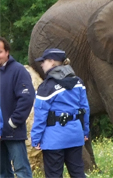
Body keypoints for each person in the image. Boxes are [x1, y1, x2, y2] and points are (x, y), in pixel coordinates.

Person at [31, 48, 90, 178]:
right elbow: (85, 109)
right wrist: (85, 131)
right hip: (75, 135)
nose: (42, 64)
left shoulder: (47, 86)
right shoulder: (78, 82)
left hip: (54, 139)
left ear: (52, 62)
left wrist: (36, 139)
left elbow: (40, 116)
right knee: (78, 173)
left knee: (54, 175)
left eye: (44, 61)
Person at [0, 36, 35, 178]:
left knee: (21, 171)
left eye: (0, 51)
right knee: (2, 172)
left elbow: (26, 98)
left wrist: (13, 122)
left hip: (13, 132)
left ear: (7, 52)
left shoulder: (18, 70)